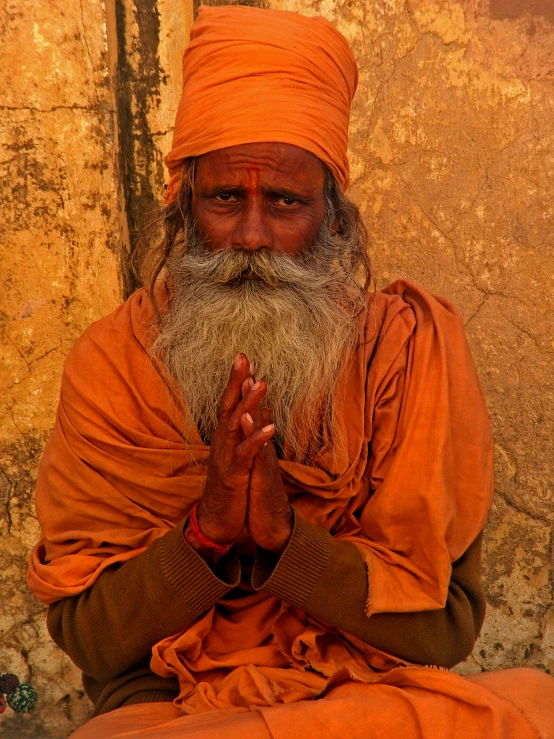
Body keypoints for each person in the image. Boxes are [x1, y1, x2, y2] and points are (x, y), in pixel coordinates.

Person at [27, 5, 554, 738]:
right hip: (174, 710)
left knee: (537, 700)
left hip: (368, 691)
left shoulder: (405, 353)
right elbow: (91, 640)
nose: (250, 236)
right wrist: (206, 534)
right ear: (182, 210)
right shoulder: (112, 365)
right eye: (222, 199)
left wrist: (285, 544)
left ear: (332, 218)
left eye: (284, 202)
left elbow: (447, 629)